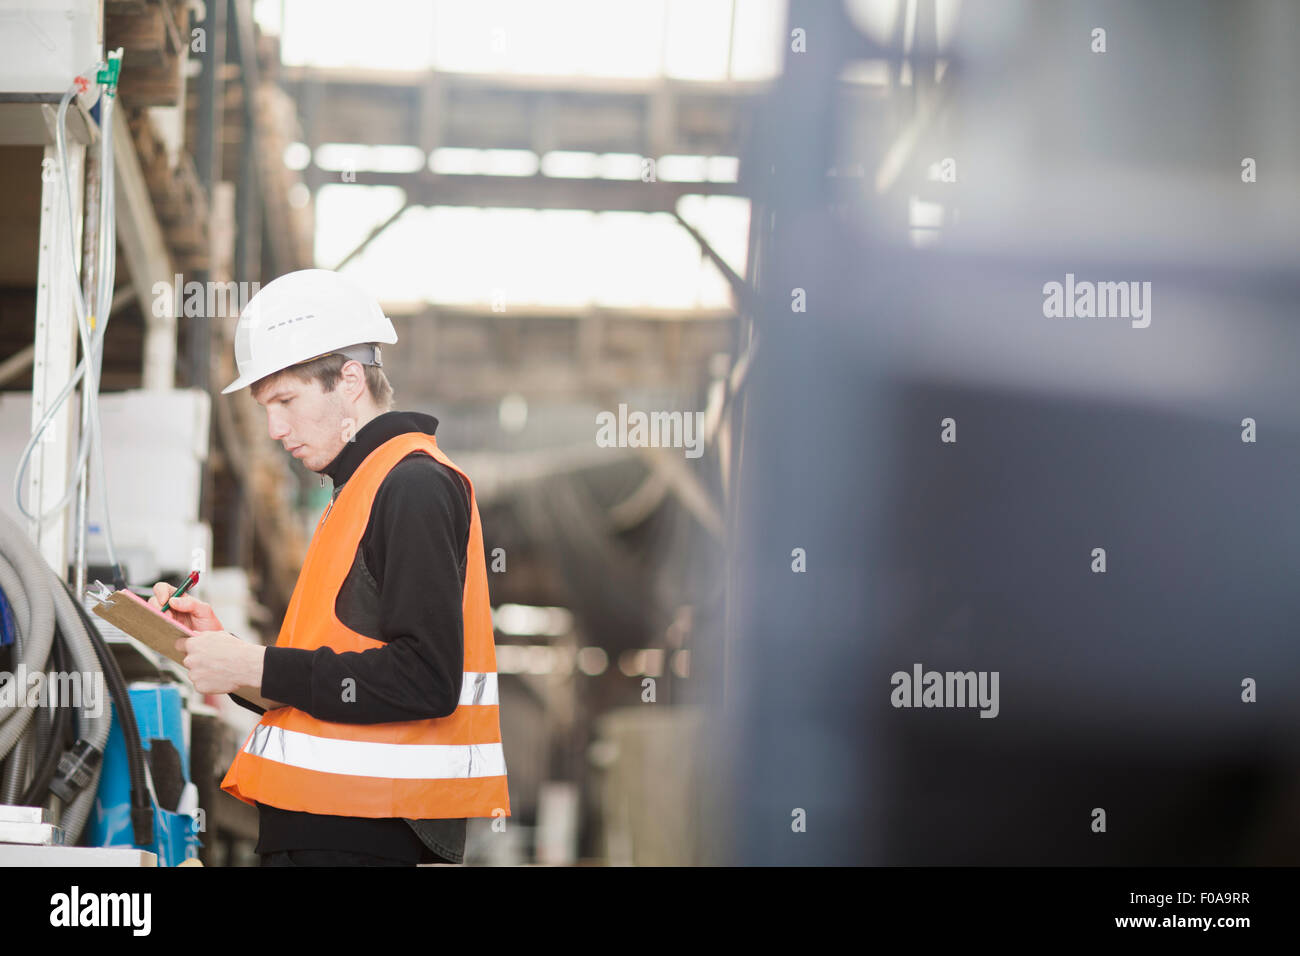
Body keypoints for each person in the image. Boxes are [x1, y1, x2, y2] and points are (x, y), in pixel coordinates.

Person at [149, 269, 509, 867]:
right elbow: (332, 681)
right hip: (331, 827)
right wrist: (229, 658)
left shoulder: (413, 484)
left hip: (365, 831)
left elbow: (426, 679)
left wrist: (256, 663)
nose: (274, 429)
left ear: (348, 380)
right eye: (267, 408)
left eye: (286, 401)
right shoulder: (358, 492)